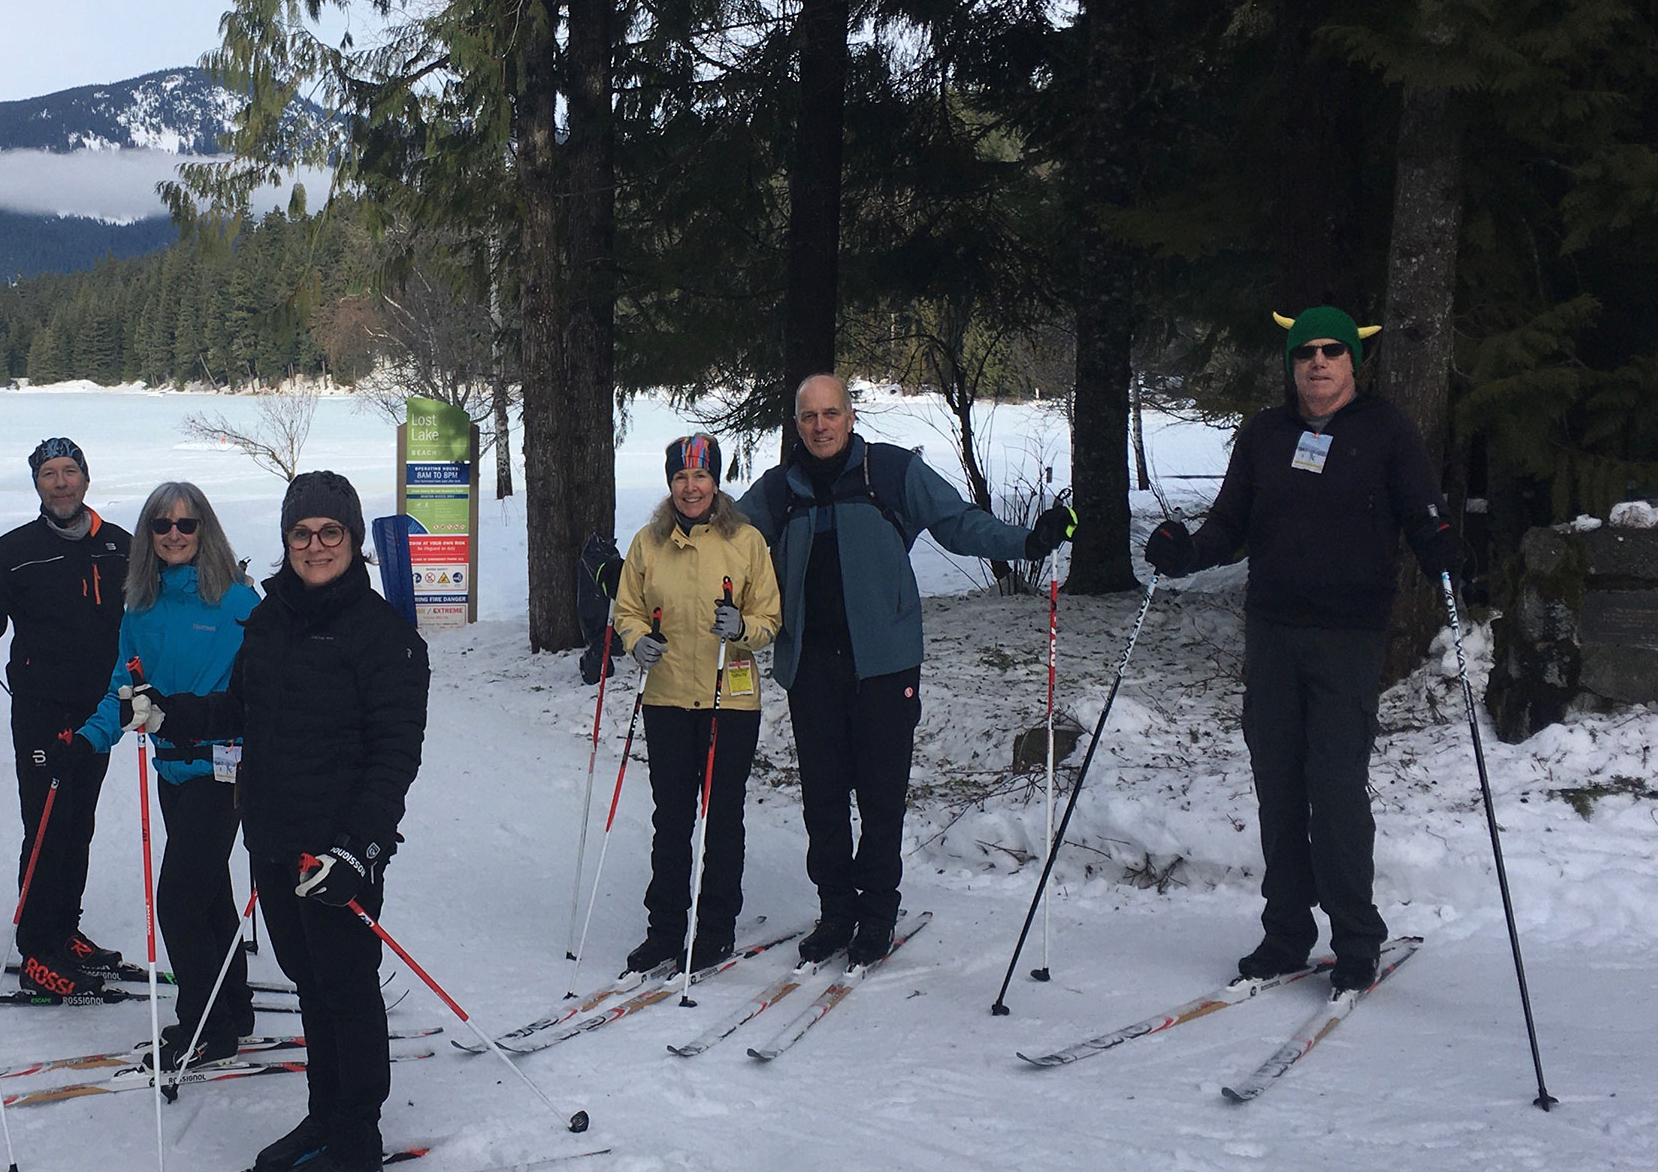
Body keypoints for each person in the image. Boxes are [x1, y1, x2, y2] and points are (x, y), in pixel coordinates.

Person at [1143, 307, 1467, 994]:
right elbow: (1228, 525)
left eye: (1331, 352)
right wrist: (1185, 551)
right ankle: (1287, 932)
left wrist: (1439, 538)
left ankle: (1356, 940)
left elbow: (1422, 511)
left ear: (1353, 363)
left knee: (1337, 788)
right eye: (1305, 353)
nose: (1317, 363)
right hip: (1273, 634)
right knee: (1280, 786)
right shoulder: (1265, 433)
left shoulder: (1386, 430)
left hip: (1348, 637)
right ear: (1292, 365)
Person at [132, 470, 428, 1172]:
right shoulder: (269, 619)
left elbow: (396, 754)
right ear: (287, 539)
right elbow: (243, 706)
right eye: (303, 532)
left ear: (354, 541)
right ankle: (326, 1118)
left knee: (348, 989)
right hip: (272, 839)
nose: (316, 545)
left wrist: (359, 849)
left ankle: (357, 1143)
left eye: (332, 532)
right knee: (308, 983)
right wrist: (172, 714)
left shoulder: (383, 635)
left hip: (335, 851)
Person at [741, 375, 1074, 967]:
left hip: (884, 665)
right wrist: (654, 552)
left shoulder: (889, 473)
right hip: (810, 665)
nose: (820, 426)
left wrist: (1027, 540)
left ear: (850, 417)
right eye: (809, 416)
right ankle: (836, 911)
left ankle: (876, 914)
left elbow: (957, 521)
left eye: (831, 414)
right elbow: (723, 543)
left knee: (880, 793)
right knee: (822, 798)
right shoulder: (780, 489)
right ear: (797, 425)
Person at [38, 481, 261, 1070]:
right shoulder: (139, 607)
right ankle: (233, 1005)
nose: (174, 536)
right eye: (162, 526)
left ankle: (205, 1026)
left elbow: (268, 686)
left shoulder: (238, 603)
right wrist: (85, 742)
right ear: (149, 535)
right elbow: (124, 688)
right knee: (210, 895)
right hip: (172, 770)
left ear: (204, 530)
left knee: (179, 902)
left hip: (225, 769)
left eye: (187, 525)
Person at [0, 437, 136, 997]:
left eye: (69, 471)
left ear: (86, 478)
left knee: (78, 822)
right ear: (36, 484)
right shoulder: (14, 549)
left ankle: (65, 929)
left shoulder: (120, 546)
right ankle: (38, 947)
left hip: (101, 709)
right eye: (48, 474)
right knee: (45, 824)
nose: (60, 483)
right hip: (40, 709)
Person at [609, 434, 783, 977]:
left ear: (716, 482)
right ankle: (665, 930)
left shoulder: (746, 541)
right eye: (681, 478)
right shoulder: (648, 543)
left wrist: (745, 629)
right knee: (673, 818)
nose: (691, 488)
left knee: (722, 818)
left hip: (727, 701)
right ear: (670, 484)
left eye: (701, 477)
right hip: (665, 699)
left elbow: (769, 619)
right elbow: (628, 609)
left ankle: (714, 929)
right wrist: (637, 641)